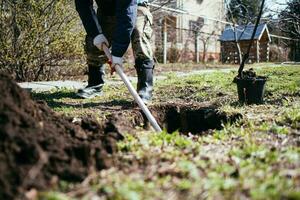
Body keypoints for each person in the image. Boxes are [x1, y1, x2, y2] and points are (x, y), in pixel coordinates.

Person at [75, 0, 155, 104]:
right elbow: (83, 6)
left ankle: (145, 88)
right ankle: (95, 84)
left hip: (135, 6)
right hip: (106, 10)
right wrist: (95, 33)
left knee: (139, 38)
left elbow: (127, 15)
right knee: (94, 41)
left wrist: (117, 54)